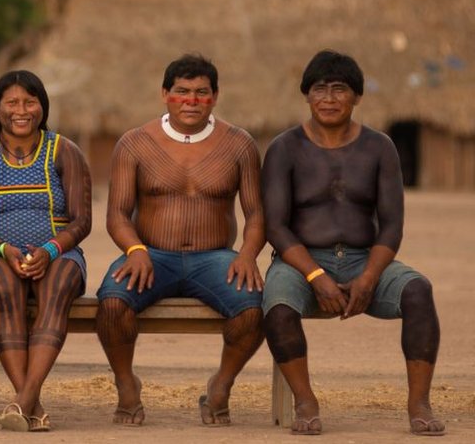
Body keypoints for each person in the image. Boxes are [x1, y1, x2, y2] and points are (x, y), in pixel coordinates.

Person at [261, 50, 444, 436]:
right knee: (276, 305)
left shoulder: (379, 148)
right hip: (300, 262)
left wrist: (369, 278)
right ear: (306, 96)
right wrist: (314, 275)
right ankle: (305, 401)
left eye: (339, 89)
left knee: (418, 291)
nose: (328, 98)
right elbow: (276, 226)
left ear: (357, 96)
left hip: (365, 258)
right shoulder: (284, 149)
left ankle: (419, 403)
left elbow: (392, 226)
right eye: (319, 89)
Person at [95, 54, 265, 426]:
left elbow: (256, 213)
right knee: (110, 304)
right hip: (151, 256)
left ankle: (221, 385)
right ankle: (126, 384)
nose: (191, 100)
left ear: (215, 97)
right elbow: (117, 215)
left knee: (254, 310)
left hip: (216, 258)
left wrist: (248, 255)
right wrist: (135, 250)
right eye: (182, 92)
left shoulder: (240, 145)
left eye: (202, 93)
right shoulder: (135, 143)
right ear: (165, 95)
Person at [0, 70, 91, 432]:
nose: (22, 110)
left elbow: (81, 222)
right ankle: (33, 401)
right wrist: (3, 249)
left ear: (42, 107)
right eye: (12, 102)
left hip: (58, 250)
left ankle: (23, 401)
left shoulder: (65, 151)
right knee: (5, 288)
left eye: (30, 102)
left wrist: (49, 249)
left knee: (58, 287)